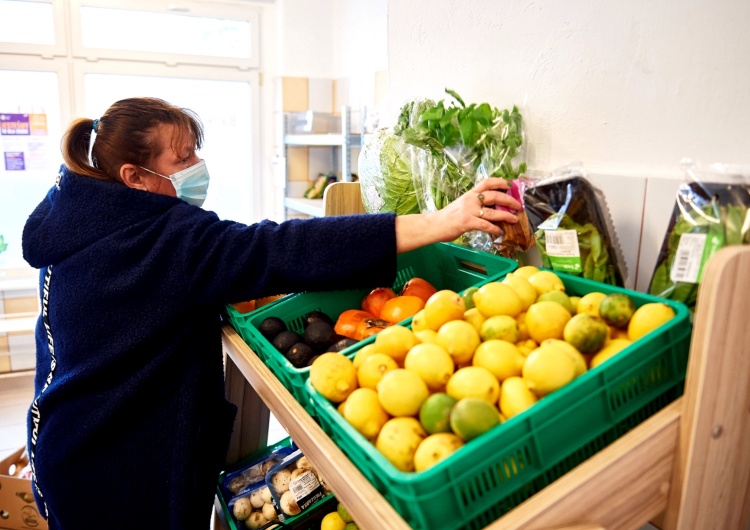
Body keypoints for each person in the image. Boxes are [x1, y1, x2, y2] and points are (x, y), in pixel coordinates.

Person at [22, 97, 521, 530]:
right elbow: (281, 249)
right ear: (135, 177)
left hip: (71, 448)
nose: (198, 165)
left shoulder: (76, 223)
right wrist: (441, 221)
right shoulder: (163, 240)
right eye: (183, 158)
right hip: (121, 471)